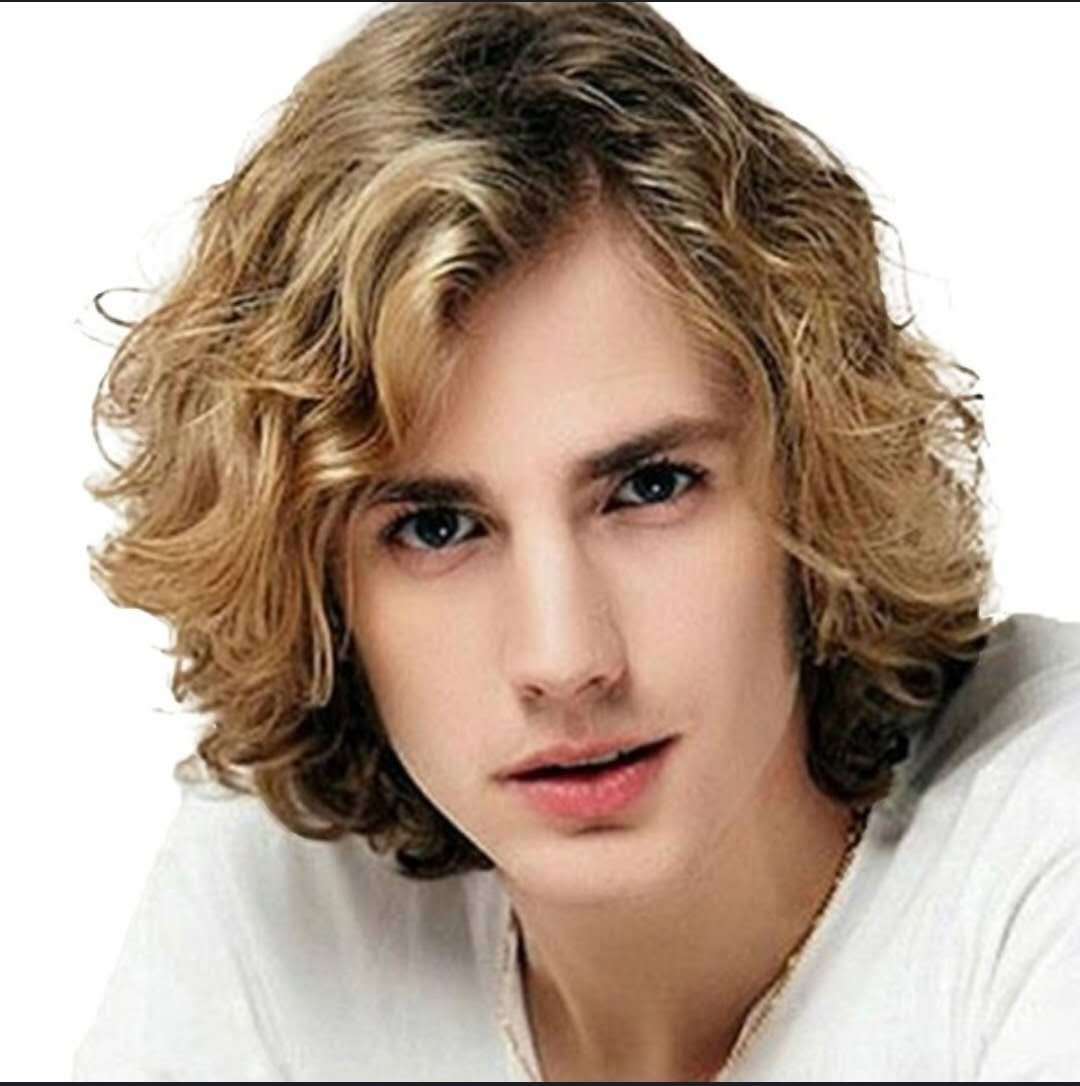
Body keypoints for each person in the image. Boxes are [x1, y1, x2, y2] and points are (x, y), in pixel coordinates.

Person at [74, 2, 1080, 1081]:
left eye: (650, 488)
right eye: (436, 528)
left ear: (815, 481)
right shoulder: (283, 893)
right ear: (318, 584)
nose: (565, 660)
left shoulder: (1039, 834)